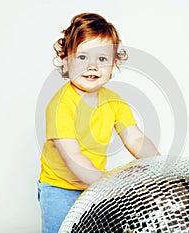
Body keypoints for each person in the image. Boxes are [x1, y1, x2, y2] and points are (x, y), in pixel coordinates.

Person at [37, 12, 161, 233]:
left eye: (102, 59)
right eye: (83, 57)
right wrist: (107, 181)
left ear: (113, 65)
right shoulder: (60, 105)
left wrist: (159, 166)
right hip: (59, 188)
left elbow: (134, 137)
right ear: (66, 62)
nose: (92, 66)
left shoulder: (114, 102)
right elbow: (73, 157)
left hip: (94, 186)